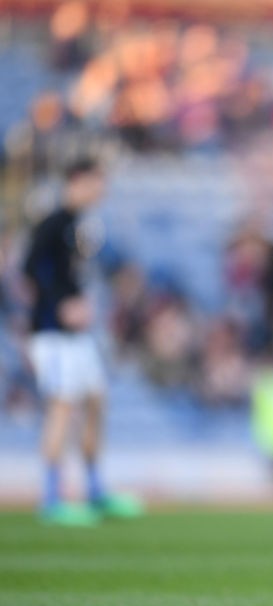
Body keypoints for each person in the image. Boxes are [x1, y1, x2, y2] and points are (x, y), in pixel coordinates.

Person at [22, 157, 142, 526]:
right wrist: (61, 304)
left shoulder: (83, 226)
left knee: (95, 401)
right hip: (53, 335)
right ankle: (51, 497)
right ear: (77, 181)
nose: (100, 190)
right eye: (96, 182)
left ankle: (94, 489)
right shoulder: (54, 222)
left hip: (79, 336)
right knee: (62, 406)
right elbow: (30, 268)